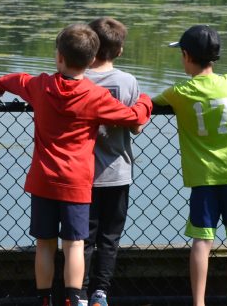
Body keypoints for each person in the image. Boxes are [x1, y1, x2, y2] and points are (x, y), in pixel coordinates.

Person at [0, 23, 153, 306]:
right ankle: (72, 298)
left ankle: (44, 299)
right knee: (75, 244)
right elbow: (132, 117)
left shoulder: (40, 86)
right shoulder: (94, 96)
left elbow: (16, 80)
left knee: (44, 243)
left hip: (43, 179)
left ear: (59, 57)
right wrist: (145, 103)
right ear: (91, 60)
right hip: (77, 183)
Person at [152, 25, 227, 306]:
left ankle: (199, 302)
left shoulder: (179, 92)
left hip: (204, 178)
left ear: (186, 55)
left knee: (201, 240)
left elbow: (150, 104)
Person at [81, 17, 141, 306]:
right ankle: (100, 293)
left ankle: (77, 291)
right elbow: (136, 126)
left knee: (83, 237)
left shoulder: (78, 79)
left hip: (82, 174)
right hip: (117, 171)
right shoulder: (127, 82)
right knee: (110, 236)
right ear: (119, 51)